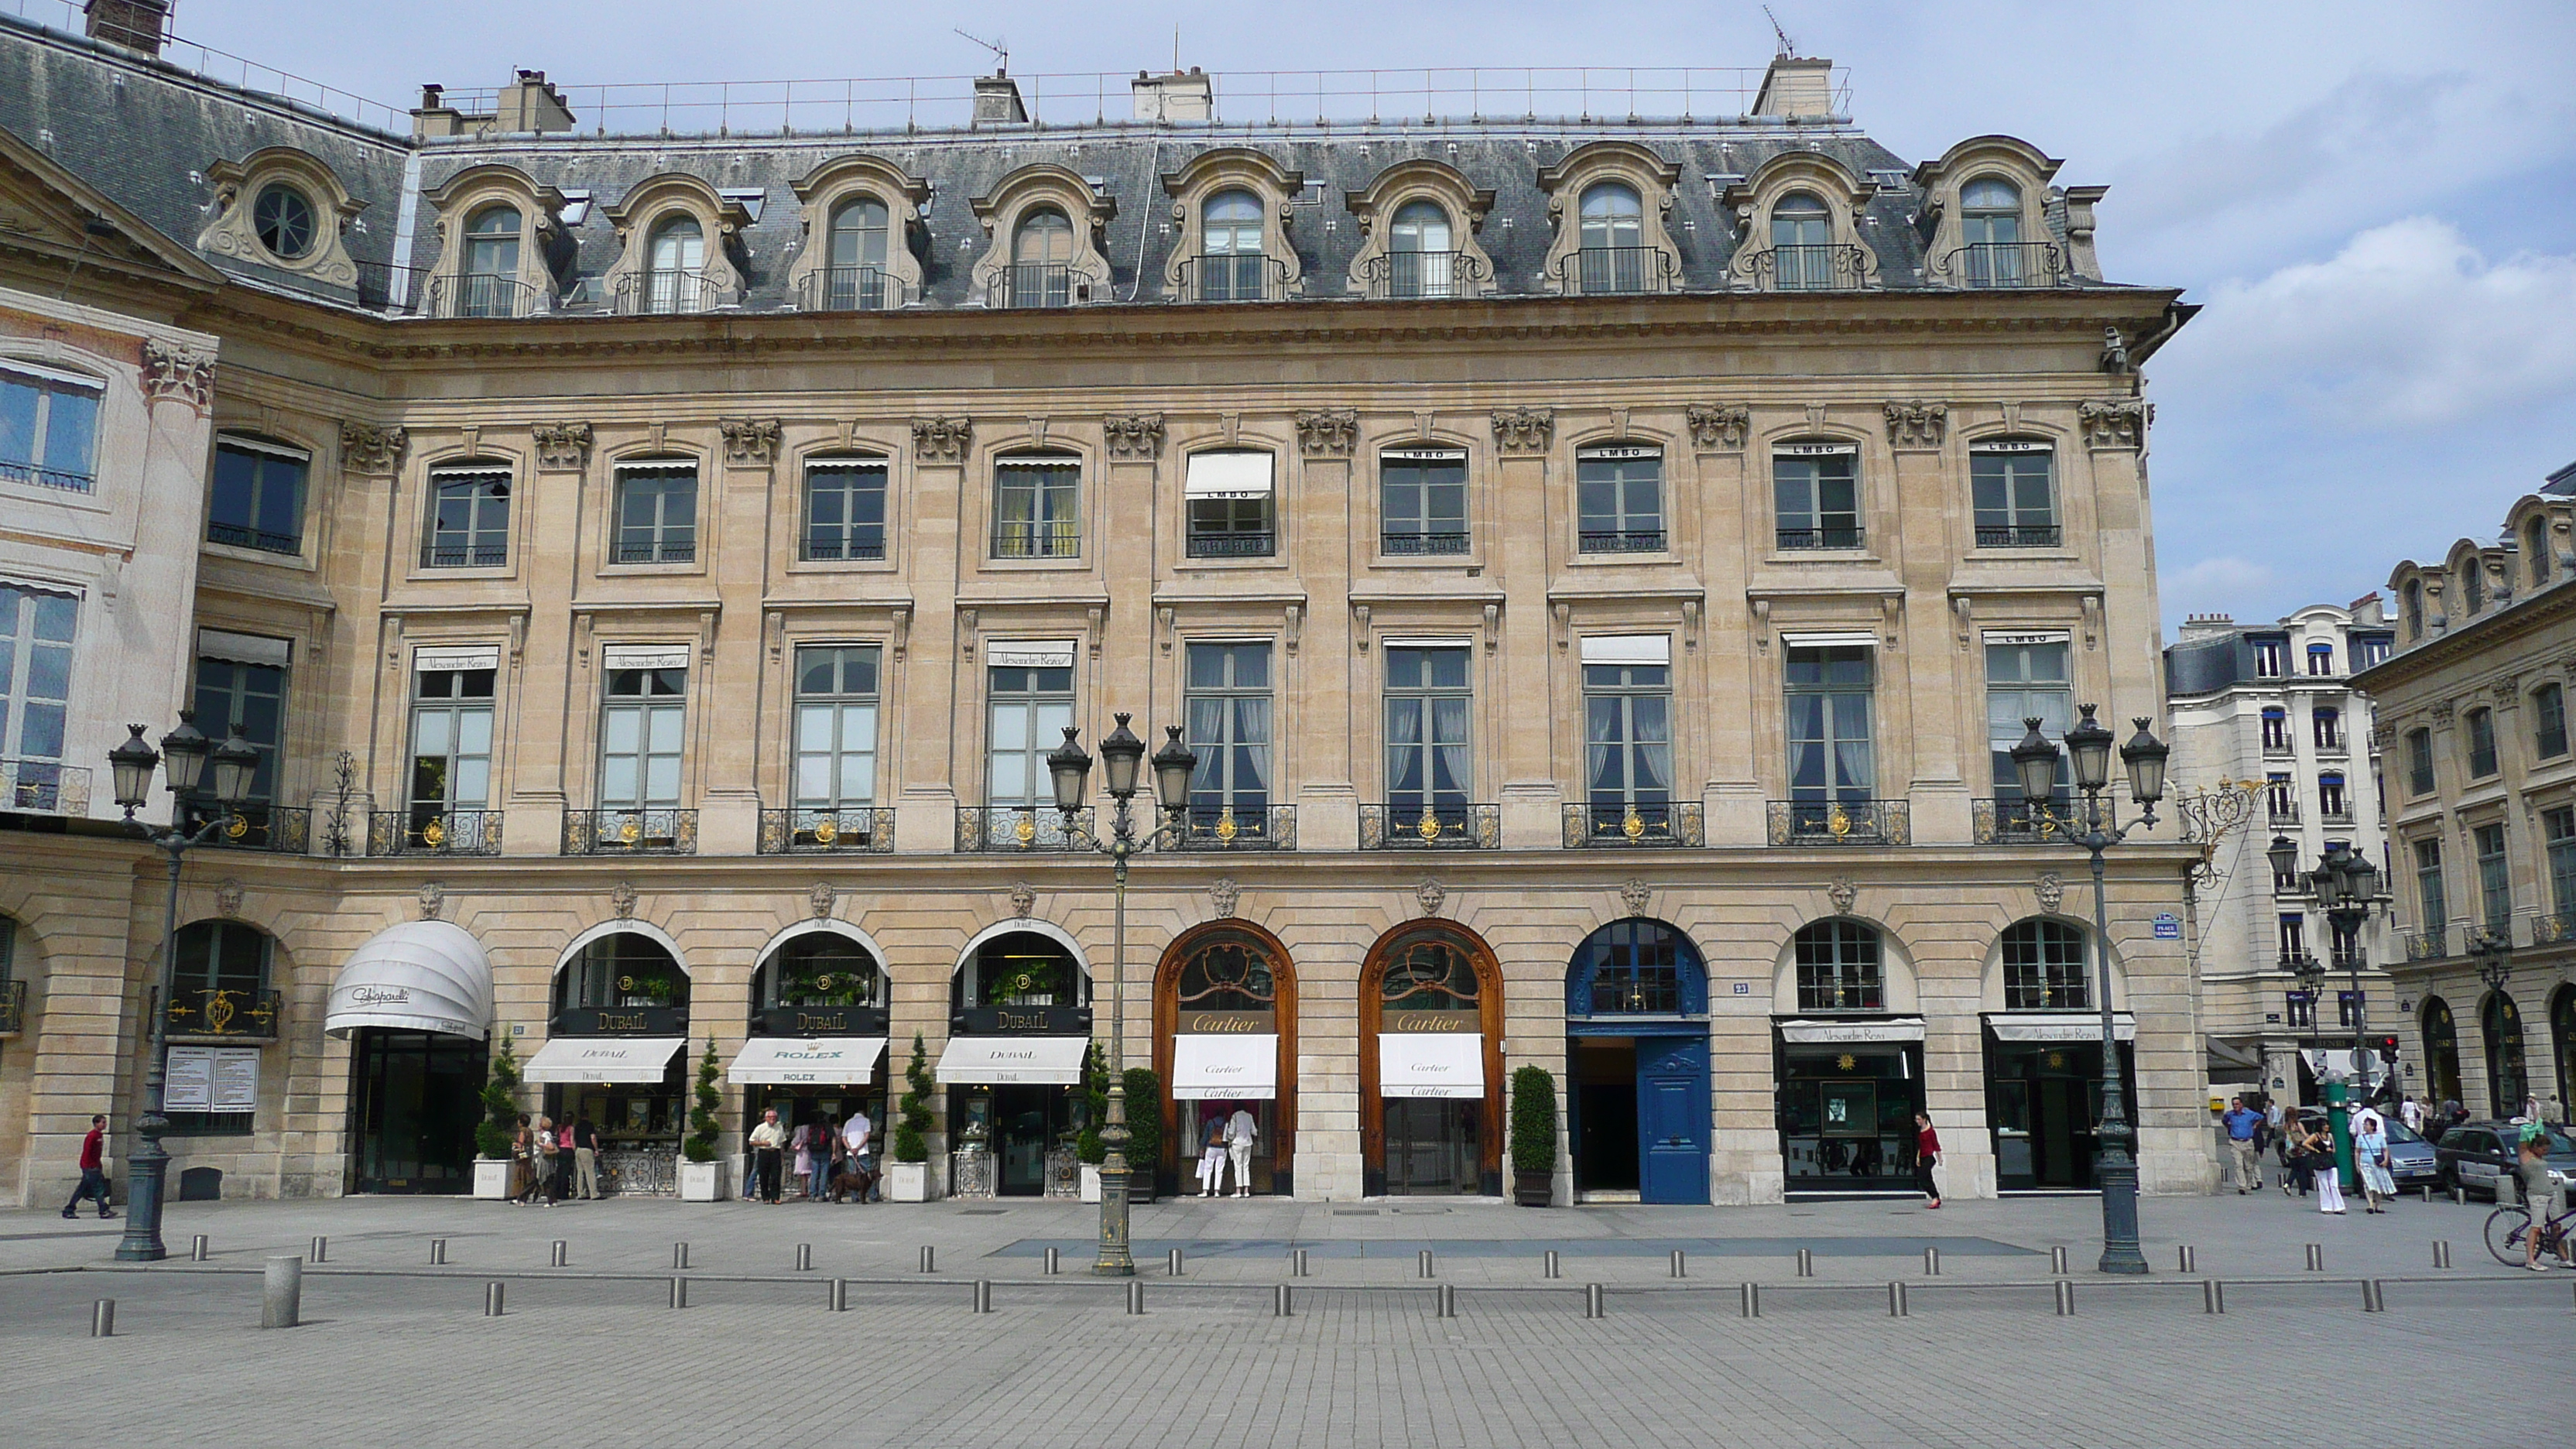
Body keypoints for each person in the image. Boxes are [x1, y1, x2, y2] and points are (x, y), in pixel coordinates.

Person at [2518, 1129, 2566, 1271]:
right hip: (2537, 1194)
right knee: (2537, 1227)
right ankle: (2530, 1260)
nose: (2545, 1152)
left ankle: (2563, 1257)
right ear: (2535, 1147)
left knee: (2556, 1225)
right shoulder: (2526, 1156)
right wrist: (2526, 1132)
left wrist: (2535, 1111)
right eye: (2543, 1149)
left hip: (2550, 1192)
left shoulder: (2540, 1158)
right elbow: (2522, 1145)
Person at [60, 1113, 115, 1220]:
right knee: (98, 1188)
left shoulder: (99, 1135)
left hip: (94, 1166)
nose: (105, 1125)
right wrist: (91, 1166)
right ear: (96, 1123)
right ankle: (103, 1210)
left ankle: (69, 1209)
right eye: (103, 1122)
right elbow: (87, 1152)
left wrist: (99, 1165)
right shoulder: (92, 1136)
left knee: (82, 1189)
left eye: (105, 1122)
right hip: (90, 1167)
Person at [2353, 1110, 2395, 1214]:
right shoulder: (2360, 1138)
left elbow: (2385, 1149)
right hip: (2365, 1163)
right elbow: (2357, 1151)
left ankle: (2378, 1205)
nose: (2364, 1126)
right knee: (2368, 1184)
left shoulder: (2380, 1137)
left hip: (2377, 1163)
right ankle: (2370, 1204)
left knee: (2379, 1183)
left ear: (2372, 1126)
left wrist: (2386, 1160)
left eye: (2366, 1124)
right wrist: (2357, 1164)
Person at [2221, 1097, 2263, 1194]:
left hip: (2247, 1142)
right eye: (2234, 1104)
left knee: (2249, 1166)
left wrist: (2255, 1125)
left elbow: (2261, 1117)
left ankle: (2249, 1185)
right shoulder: (2230, 1114)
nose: (2235, 1106)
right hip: (2235, 1142)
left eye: (2237, 1104)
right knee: (2238, 1165)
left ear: (2241, 1104)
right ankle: (2242, 1186)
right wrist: (2229, 1127)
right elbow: (2224, 1121)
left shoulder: (2249, 1114)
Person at [748, 1107, 788, 1204]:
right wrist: (762, 1143)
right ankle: (765, 1197)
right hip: (764, 1152)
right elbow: (751, 1141)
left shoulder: (779, 1127)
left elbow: (782, 1142)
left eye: (774, 1117)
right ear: (766, 1118)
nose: (772, 1119)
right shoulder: (760, 1128)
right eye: (770, 1117)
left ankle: (775, 1198)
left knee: (776, 1176)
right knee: (764, 1176)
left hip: (776, 1152)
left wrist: (782, 1156)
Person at [2308, 1121, 2346, 1214]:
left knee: (2334, 1184)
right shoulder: (2315, 1136)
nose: (2327, 1127)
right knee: (2323, 1184)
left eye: (2327, 1124)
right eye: (2324, 1125)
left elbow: (2334, 1148)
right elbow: (2306, 1143)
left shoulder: (2330, 1136)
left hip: (2330, 1161)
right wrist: (2316, 1150)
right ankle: (2326, 1207)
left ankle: (2339, 1207)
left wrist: (2332, 1150)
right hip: (2320, 1162)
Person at [1225, 1106, 1258, 1198]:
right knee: (1246, 1166)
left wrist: (1228, 1137)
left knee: (1238, 1166)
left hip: (1237, 1142)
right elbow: (1254, 1131)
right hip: (1248, 1142)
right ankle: (1246, 1190)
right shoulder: (1249, 1116)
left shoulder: (1235, 1116)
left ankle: (1238, 1190)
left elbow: (1231, 1132)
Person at [843, 1109, 875, 1202]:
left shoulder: (848, 1122)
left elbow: (844, 1138)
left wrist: (850, 1148)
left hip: (851, 1154)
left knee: (853, 1176)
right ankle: (872, 1195)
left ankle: (855, 1197)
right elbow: (866, 1136)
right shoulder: (866, 1121)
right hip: (863, 1152)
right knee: (868, 1175)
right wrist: (858, 1148)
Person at [1913, 1111, 1942, 1208]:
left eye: (1919, 1119)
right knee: (1928, 1179)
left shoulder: (1931, 1131)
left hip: (1929, 1157)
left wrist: (1940, 1158)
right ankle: (1936, 1198)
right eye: (1916, 1119)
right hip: (1922, 1157)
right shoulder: (1920, 1131)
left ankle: (1935, 1197)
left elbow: (1936, 1144)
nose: (1917, 1121)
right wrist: (1918, 1157)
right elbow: (1921, 1146)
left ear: (1924, 1119)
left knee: (1923, 1178)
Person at [1196, 1115, 1225, 1198]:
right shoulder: (1226, 1123)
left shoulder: (1210, 1122)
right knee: (1219, 1170)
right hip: (1222, 1148)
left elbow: (1205, 1136)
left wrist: (1202, 1147)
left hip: (1211, 1147)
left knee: (1208, 1169)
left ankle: (1205, 1191)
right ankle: (1217, 1191)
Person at [570, 1115, 599, 1201]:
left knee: (580, 1172)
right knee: (590, 1172)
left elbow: (573, 1140)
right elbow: (593, 1138)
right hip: (587, 1149)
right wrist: (596, 1149)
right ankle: (594, 1194)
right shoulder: (590, 1125)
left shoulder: (577, 1126)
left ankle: (581, 1193)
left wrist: (575, 1150)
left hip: (578, 1150)